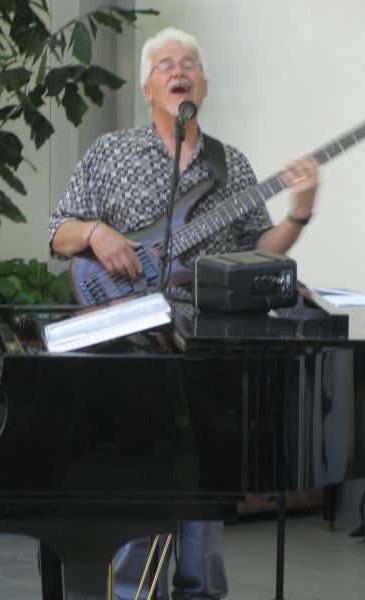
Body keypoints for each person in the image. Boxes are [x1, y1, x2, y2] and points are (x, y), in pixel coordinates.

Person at [48, 27, 318, 600]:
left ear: (204, 86)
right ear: (148, 88)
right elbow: (58, 231)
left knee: (205, 480)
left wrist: (298, 214)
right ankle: (131, 593)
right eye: (166, 64)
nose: (179, 70)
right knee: (139, 477)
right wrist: (96, 233)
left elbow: (258, 251)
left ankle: (200, 591)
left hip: (206, 341)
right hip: (128, 342)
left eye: (190, 63)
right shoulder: (110, 153)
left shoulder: (230, 163)